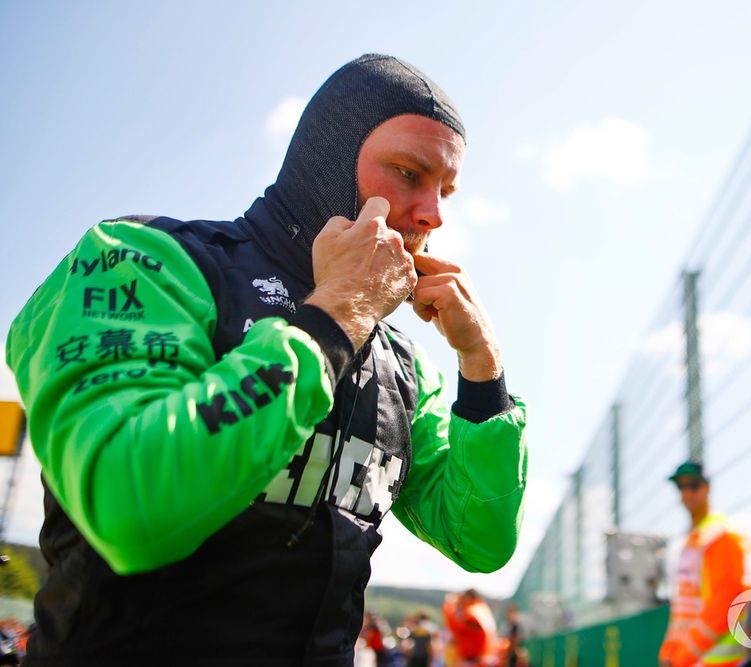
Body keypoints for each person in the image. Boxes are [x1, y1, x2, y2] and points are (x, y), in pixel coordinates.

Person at [6, 54, 528, 666]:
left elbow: (480, 540)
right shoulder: (145, 261)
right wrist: (334, 317)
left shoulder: (405, 368)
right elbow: (131, 505)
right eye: (410, 173)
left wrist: (482, 367)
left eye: (446, 189)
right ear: (327, 163)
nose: (434, 212)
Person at [658, 461, 750, 667]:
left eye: (693, 485)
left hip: (718, 661)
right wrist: (669, 652)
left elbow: (726, 603)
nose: (686, 493)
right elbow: (684, 609)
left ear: (706, 487)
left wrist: (682, 657)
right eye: (681, 487)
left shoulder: (719, 537)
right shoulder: (691, 542)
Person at [442, 589, 499, 667]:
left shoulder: (472, 612)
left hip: (475, 660)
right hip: (484, 658)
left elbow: (455, 626)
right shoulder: (481, 610)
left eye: (463, 598)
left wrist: (448, 604)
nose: (461, 601)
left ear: (469, 598)